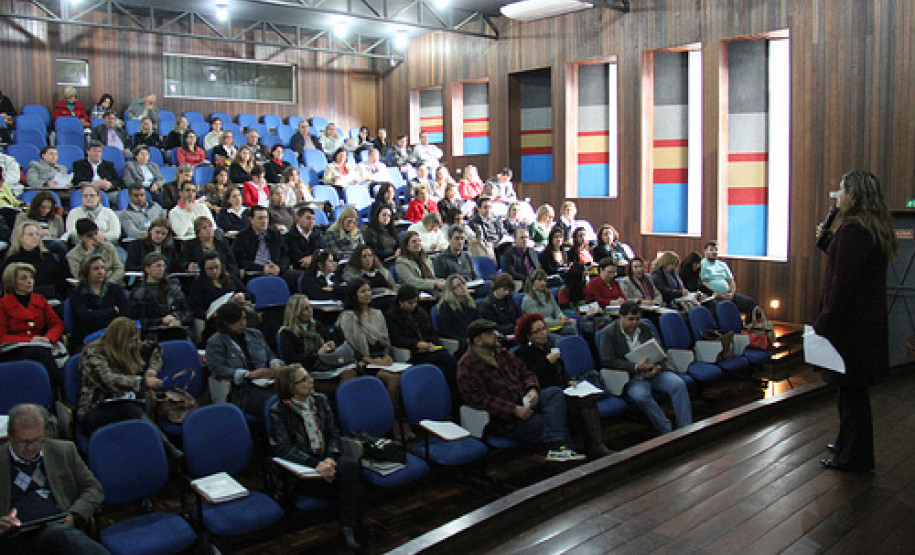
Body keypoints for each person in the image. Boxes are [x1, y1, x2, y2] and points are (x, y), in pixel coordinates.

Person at [814, 170, 896, 473]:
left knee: (851, 394)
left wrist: (825, 322)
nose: (838, 194)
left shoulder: (853, 231)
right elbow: (848, 261)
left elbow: (843, 282)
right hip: (865, 323)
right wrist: (827, 241)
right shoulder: (871, 228)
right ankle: (847, 444)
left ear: (855, 194)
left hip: (850, 326)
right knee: (851, 392)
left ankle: (854, 457)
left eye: (842, 189)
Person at [268, 364, 367, 550]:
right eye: (304, 380)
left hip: (325, 459)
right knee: (350, 485)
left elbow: (333, 434)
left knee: (350, 470)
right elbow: (283, 449)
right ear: (291, 387)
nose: (310, 381)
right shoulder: (279, 411)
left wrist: (329, 459)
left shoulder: (320, 401)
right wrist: (316, 464)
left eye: (309, 377)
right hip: (301, 467)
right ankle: (354, 531)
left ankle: (349, 529)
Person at [457, 319, 585, 462]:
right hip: (506, 419)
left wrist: (532, 389)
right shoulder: (467, 366)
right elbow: (479, 399)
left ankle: (557, 449)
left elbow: (526, 373)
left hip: (526, 401)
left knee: (554, 393)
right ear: (478, 341)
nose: (495, 335)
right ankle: (562, 453)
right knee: (553, 421)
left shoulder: (502, 354)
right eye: (490, 333)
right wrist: (513, 409)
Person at [0, 404, 108, 555]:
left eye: (37, 440)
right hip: (17, 538)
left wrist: (74, 514)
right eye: (23, 442)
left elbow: (94, 489)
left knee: (60, 535)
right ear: (10, 436)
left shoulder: (64, 451)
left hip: (60, 528)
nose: (30, 447)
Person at [75, 318, 181, 458]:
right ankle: (168, 450)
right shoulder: (93, 353)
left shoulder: (130, 345)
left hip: (126, 399)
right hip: (96, 408)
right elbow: (109, 380)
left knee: (142, 403)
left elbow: (155, 348)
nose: (135, 345)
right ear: (120, 340)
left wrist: (153, 369)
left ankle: (151, 454)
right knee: (129, 409)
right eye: (132, 341)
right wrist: (143, 382)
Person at [514, 314, 610, 457]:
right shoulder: (522, 354)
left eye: (543, 329)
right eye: (537, 331)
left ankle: (596, 445)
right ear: (528, 336)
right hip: (545, 395)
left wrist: (569, 381)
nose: (543, 333)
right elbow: (531, 377)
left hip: (562, 388)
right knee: (576, 406)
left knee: (588, 398)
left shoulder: (548, 347)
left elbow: (561, 371)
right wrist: (547, 362)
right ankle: (578, 447)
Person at [599, 301, 692, 434]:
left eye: (637, 319)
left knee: (678, 384)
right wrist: (636, 367)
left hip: (654, 371)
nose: (634, 323)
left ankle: (686, 427)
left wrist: (657, 367)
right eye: (631, 319)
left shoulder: (645, 327)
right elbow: (608, 361)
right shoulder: (608, 333)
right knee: (641, 396)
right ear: (621, 317)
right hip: (631, 377)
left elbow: (658, 350)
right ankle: (666, 429)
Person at [336, 279, 403, 426]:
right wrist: (372, 361)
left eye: (368, 290)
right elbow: (351, 348)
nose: (367, 294)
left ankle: (403, 420)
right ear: (354, 295)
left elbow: (386, 342)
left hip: (380, 359)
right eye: (363, 291)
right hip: (362, 362)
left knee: (404, 376)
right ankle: (393, 422)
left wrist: (387, 356)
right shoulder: (348, 317)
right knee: (393, 380)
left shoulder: (377, 314)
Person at [206, 301, 283, 416]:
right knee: (276, 404)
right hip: (242, 389)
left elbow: (270, 355)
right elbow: (218, 370)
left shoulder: (255, 334)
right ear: (226, 322)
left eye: (244, 319)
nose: (243, 323)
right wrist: (248, 375)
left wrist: (275, 364)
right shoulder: (216, 342)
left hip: (267, 381)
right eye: (238, 320)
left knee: (294, 395)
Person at [0, 263, 65, 389]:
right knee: (41, 353)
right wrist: (30, 340)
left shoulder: (39, 300)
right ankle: (58, 387)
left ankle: (58, 391)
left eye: (31, 278)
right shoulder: (3, 305)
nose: (30, 281)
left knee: (46, 353)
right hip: (12, 348)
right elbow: (2, 337)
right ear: (13, 282)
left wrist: (48, 338)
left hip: (42, 344)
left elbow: (57, 324)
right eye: (24, 278)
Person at [385, 285, 459, 386]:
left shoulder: (420, 313)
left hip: (429, 348)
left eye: (415, 302)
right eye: (410, 303)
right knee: (444, 358)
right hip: (412, 352)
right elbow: (397, 339)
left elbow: (431, 332)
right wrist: (416, 344)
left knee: (445, 363)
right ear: (400, 302)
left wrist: (432, 344)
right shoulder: (392, 316)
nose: (413, 305)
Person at [277, 295, 356, 386]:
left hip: (327, 364)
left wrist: (331, 346)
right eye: (306, 309)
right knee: (345, 379)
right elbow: (291, 361)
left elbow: (330, 340)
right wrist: (317, 354)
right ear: (296, 312)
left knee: (351, 372)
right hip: (306, 373)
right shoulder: (287, 333)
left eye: (311, 307)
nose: (310, 310)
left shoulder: (317, 325)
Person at [67, 254, 129, 353]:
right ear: (86, 271)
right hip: (87, 339)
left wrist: (94, 313)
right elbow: (85, 318)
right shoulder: (77, 293)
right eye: (96, 269)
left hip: (114, 336)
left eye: (102, 268)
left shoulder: (115, 289)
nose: (100, 272)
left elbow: (124, 314)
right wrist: (112, 311)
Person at [128, 252, 193, 340]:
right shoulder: (138, 293)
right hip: (151, 334)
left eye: (163, 266)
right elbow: (136, 322)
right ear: (147, 269)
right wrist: (161, 321)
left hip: (176, 330)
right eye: (158, 266)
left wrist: (177, 320)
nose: (161, 269)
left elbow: (187, 313)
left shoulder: (173, 289)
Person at [2, 221, 67, 300]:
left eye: (37, 234)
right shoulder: (11, 261)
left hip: (48, 299)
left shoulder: (48, 257)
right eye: (30, 234)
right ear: (20, 238)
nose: (35, 237)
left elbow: (60, 282)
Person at [187, 252, 253, 321]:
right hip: (216, 318)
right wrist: (206, 314)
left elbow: (251, 296)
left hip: (236, 313)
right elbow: (195, 307)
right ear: (204, 269)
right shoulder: (198, 284)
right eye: (210, 269)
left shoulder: (230, 279)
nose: (214, 271)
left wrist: (243, 295)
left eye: (217, 267)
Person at [700, 240, 756, 316]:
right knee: (721, 307)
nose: (714, 252)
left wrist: (731, 294)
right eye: (711, 250)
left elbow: (731, 281)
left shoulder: (723, 265)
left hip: (728, 295)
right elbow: (704, 283)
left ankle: (750, 322)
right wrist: (718, 295)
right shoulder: (702, 265)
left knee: (749, 302)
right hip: (713, 296)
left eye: (716, 250)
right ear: (705, 251)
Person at [232, 205, 290, 278]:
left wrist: (279, 267)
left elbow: (285, 256)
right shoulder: (242, 237)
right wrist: (262, 268)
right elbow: (240, 260)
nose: (264, 221)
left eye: (266, 218)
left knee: (296, 276)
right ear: (251, 220)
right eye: (260, 218)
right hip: (254, 272)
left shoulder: (275, 235)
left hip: (276, 271)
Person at [66, 219, 125, 284]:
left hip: (112, 284)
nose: (95, 238)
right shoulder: (72, 255)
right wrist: (89, 254)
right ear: (80, 237)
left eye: (96, 233)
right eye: (90, 236)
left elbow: (119, 269)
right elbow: (80, 276)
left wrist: (108, 283)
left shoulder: (108, 247)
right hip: (90, 287)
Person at [433, 226, 486, 294]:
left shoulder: (467, 256)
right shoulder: (440, 259)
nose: (460, 242)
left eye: (462, 238)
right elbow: (442, 282)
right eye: (457, 238)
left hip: (471, 287)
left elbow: (474, 276)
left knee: (492, 284)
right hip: (455, 292)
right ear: (449, 239)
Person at [521, 270, 576, 337]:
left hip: (555, 325)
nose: (543, 283)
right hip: (541, 330)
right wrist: (559, 322)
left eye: (544, 281)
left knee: (571, 326)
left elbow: (557, 310)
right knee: (558, 339)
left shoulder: (548, 294)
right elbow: (538, 321)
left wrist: (562, 317)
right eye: (539, 280)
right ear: (532, 282)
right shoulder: (528, 300)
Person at [13, 191, 66, 258]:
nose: (46, 211)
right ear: (36, 206)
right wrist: (37, 234)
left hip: (52, 246)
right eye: (43, 207)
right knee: (58, 246)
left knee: (58, 248)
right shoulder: (23, 217)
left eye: (49, 208)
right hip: (30, 246)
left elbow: (61, 236)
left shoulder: (57, 219)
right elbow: (15, 236)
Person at [436, 275, 479, 355]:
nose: (463, 287)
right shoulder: (446, 307)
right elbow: (445, 331)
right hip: (459, 341)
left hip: (473, 337)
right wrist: (464, 339)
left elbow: (477, 322)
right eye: (458, 286)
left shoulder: (470, 303)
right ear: (451, 290)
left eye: (463, 284)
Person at [395, 230, 445, 295]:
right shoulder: (401, 262)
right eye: (414, 242)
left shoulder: (425, 258)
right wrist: (435, 284)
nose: (418, 243)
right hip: (415, 293)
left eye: (419, 241)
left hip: (432, 290)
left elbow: (433, 277)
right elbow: (412, 282)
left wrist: (444, 282)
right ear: (406, 246)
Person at [477, 272, 521, 337]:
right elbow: (493, 326)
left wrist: (519, 323)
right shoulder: (487, 305)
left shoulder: (509, 298)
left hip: (515, 332)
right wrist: (514, 328)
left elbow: (518, 314)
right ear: (497, 286)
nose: (507, 292)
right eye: (505, 289)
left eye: (509, 290)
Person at [286, 206, 323, 271]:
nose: (311, 221)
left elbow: (321, 251)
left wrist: (312, 258)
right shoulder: (290, 235)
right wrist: (315, 258)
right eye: (308, 218)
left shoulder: (316, 233)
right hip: (298, 269)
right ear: (299, 219)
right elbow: (296, 257)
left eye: (313, 219)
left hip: (316, 267)